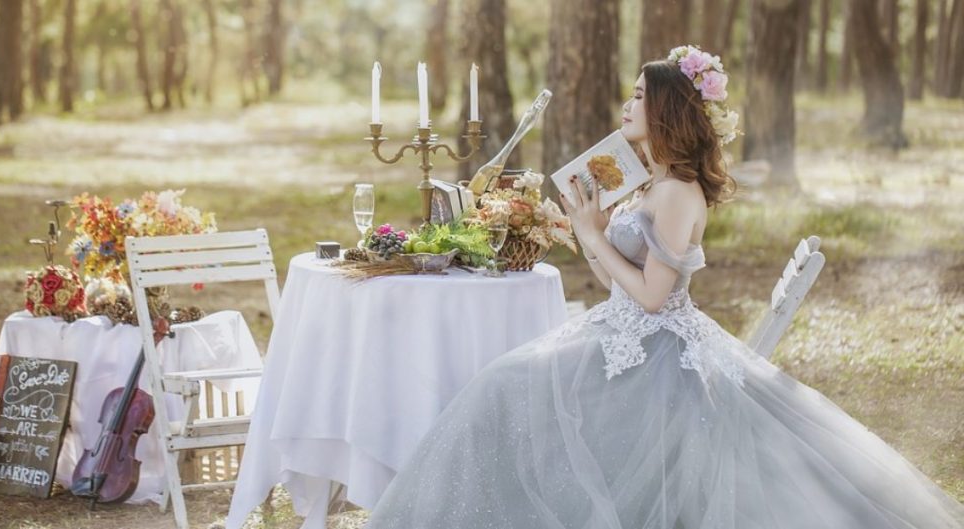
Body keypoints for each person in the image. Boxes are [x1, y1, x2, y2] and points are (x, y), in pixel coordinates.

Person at [364, 46, 964, 529]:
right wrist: (592, 231)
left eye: (638, 96)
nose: (626, 105)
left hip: (655, 357)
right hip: (622, 331)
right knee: (501, 385)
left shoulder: (677, 192)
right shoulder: (650, 183)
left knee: (501, 386)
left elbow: (654, 299)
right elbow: (619, 286)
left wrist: (590, 234)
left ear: (667, 111)